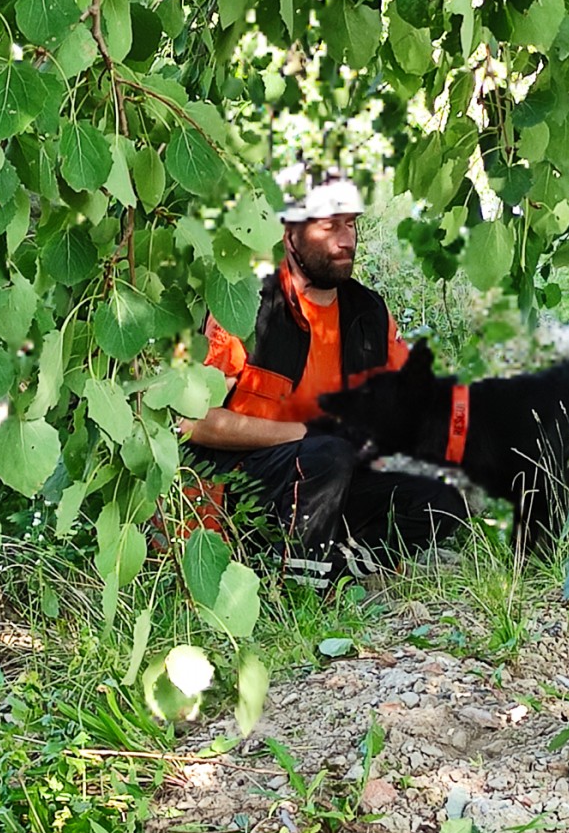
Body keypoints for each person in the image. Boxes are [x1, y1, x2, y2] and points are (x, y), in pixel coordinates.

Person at [182, 179, 467, 588]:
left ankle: (339, 571)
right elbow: (193, 422)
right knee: (327, 454)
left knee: (441, 490)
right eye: (329, 225)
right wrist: (306, 433)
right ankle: (300, 591)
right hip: (248, 488)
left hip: (337, 481)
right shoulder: (248, 305)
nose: (345, 239)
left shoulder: (369, 312)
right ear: (290, 234)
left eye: (350, 224)